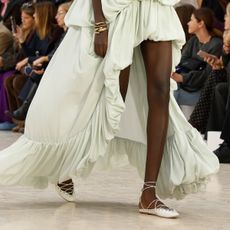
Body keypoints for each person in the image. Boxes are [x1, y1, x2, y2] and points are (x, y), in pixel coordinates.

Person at [0, 0, 219, 219]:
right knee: (105, 95)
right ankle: (63, 161)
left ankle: (148, 193)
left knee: (161, 91)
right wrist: (100, 23)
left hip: (156, 7)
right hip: (116, 9)